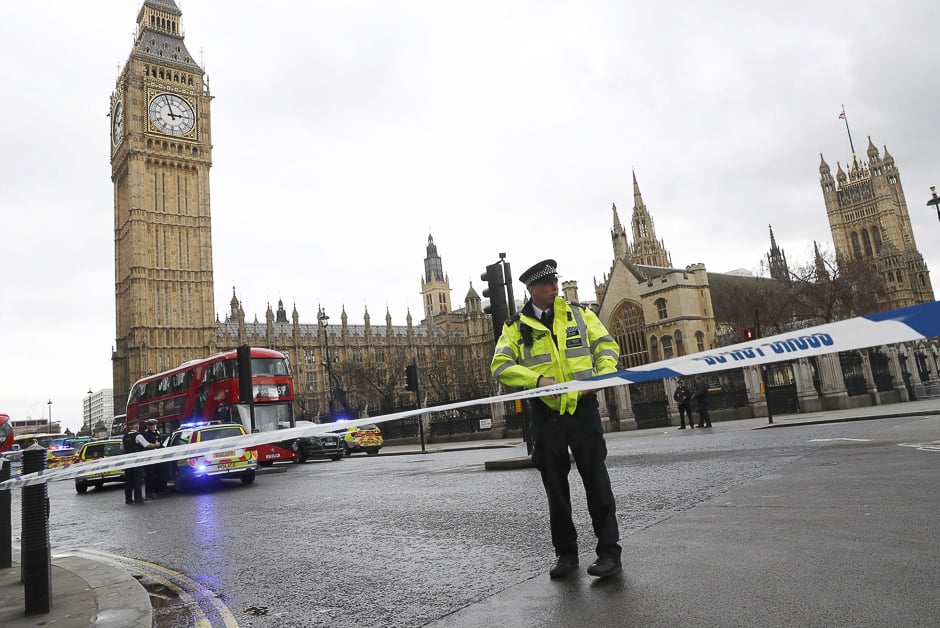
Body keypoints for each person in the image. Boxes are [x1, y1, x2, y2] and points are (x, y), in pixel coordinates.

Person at [490, 259, 622, 579]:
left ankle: (609, 554)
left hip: (583, 410)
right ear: (532, 290)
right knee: (556, 491)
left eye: (555, 282)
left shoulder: (580, 314)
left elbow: (606, 347)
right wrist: (535, 380)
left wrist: (600, 379)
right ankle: (566, 555)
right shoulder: (514, 328)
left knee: (597, 483)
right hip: (546, 416)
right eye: (547, 284)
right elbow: (501, 366)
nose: (554, 288)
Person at [121, 422, 160, 505]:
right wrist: (156, 445)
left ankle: (128, 499)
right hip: (137, 462)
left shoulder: (125, 436)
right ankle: (138, 498)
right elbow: (147, 445)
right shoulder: (138, 436)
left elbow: (122, 449)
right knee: (137, 480)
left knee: (128, 481)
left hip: (128, 462)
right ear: (136, 427)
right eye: (137, 425)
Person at [140, 419, 166, 497]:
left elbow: (160, 443)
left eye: (154, 425)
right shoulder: (145, 434)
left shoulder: (157, 432)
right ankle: (149, 493)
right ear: (147, 426)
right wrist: (155, 445)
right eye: (151, 425)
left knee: (159, 474)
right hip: (149, 457)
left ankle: (159, 491)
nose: (152, 427)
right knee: (150, 476)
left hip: (158, 457)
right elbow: (145, 445)